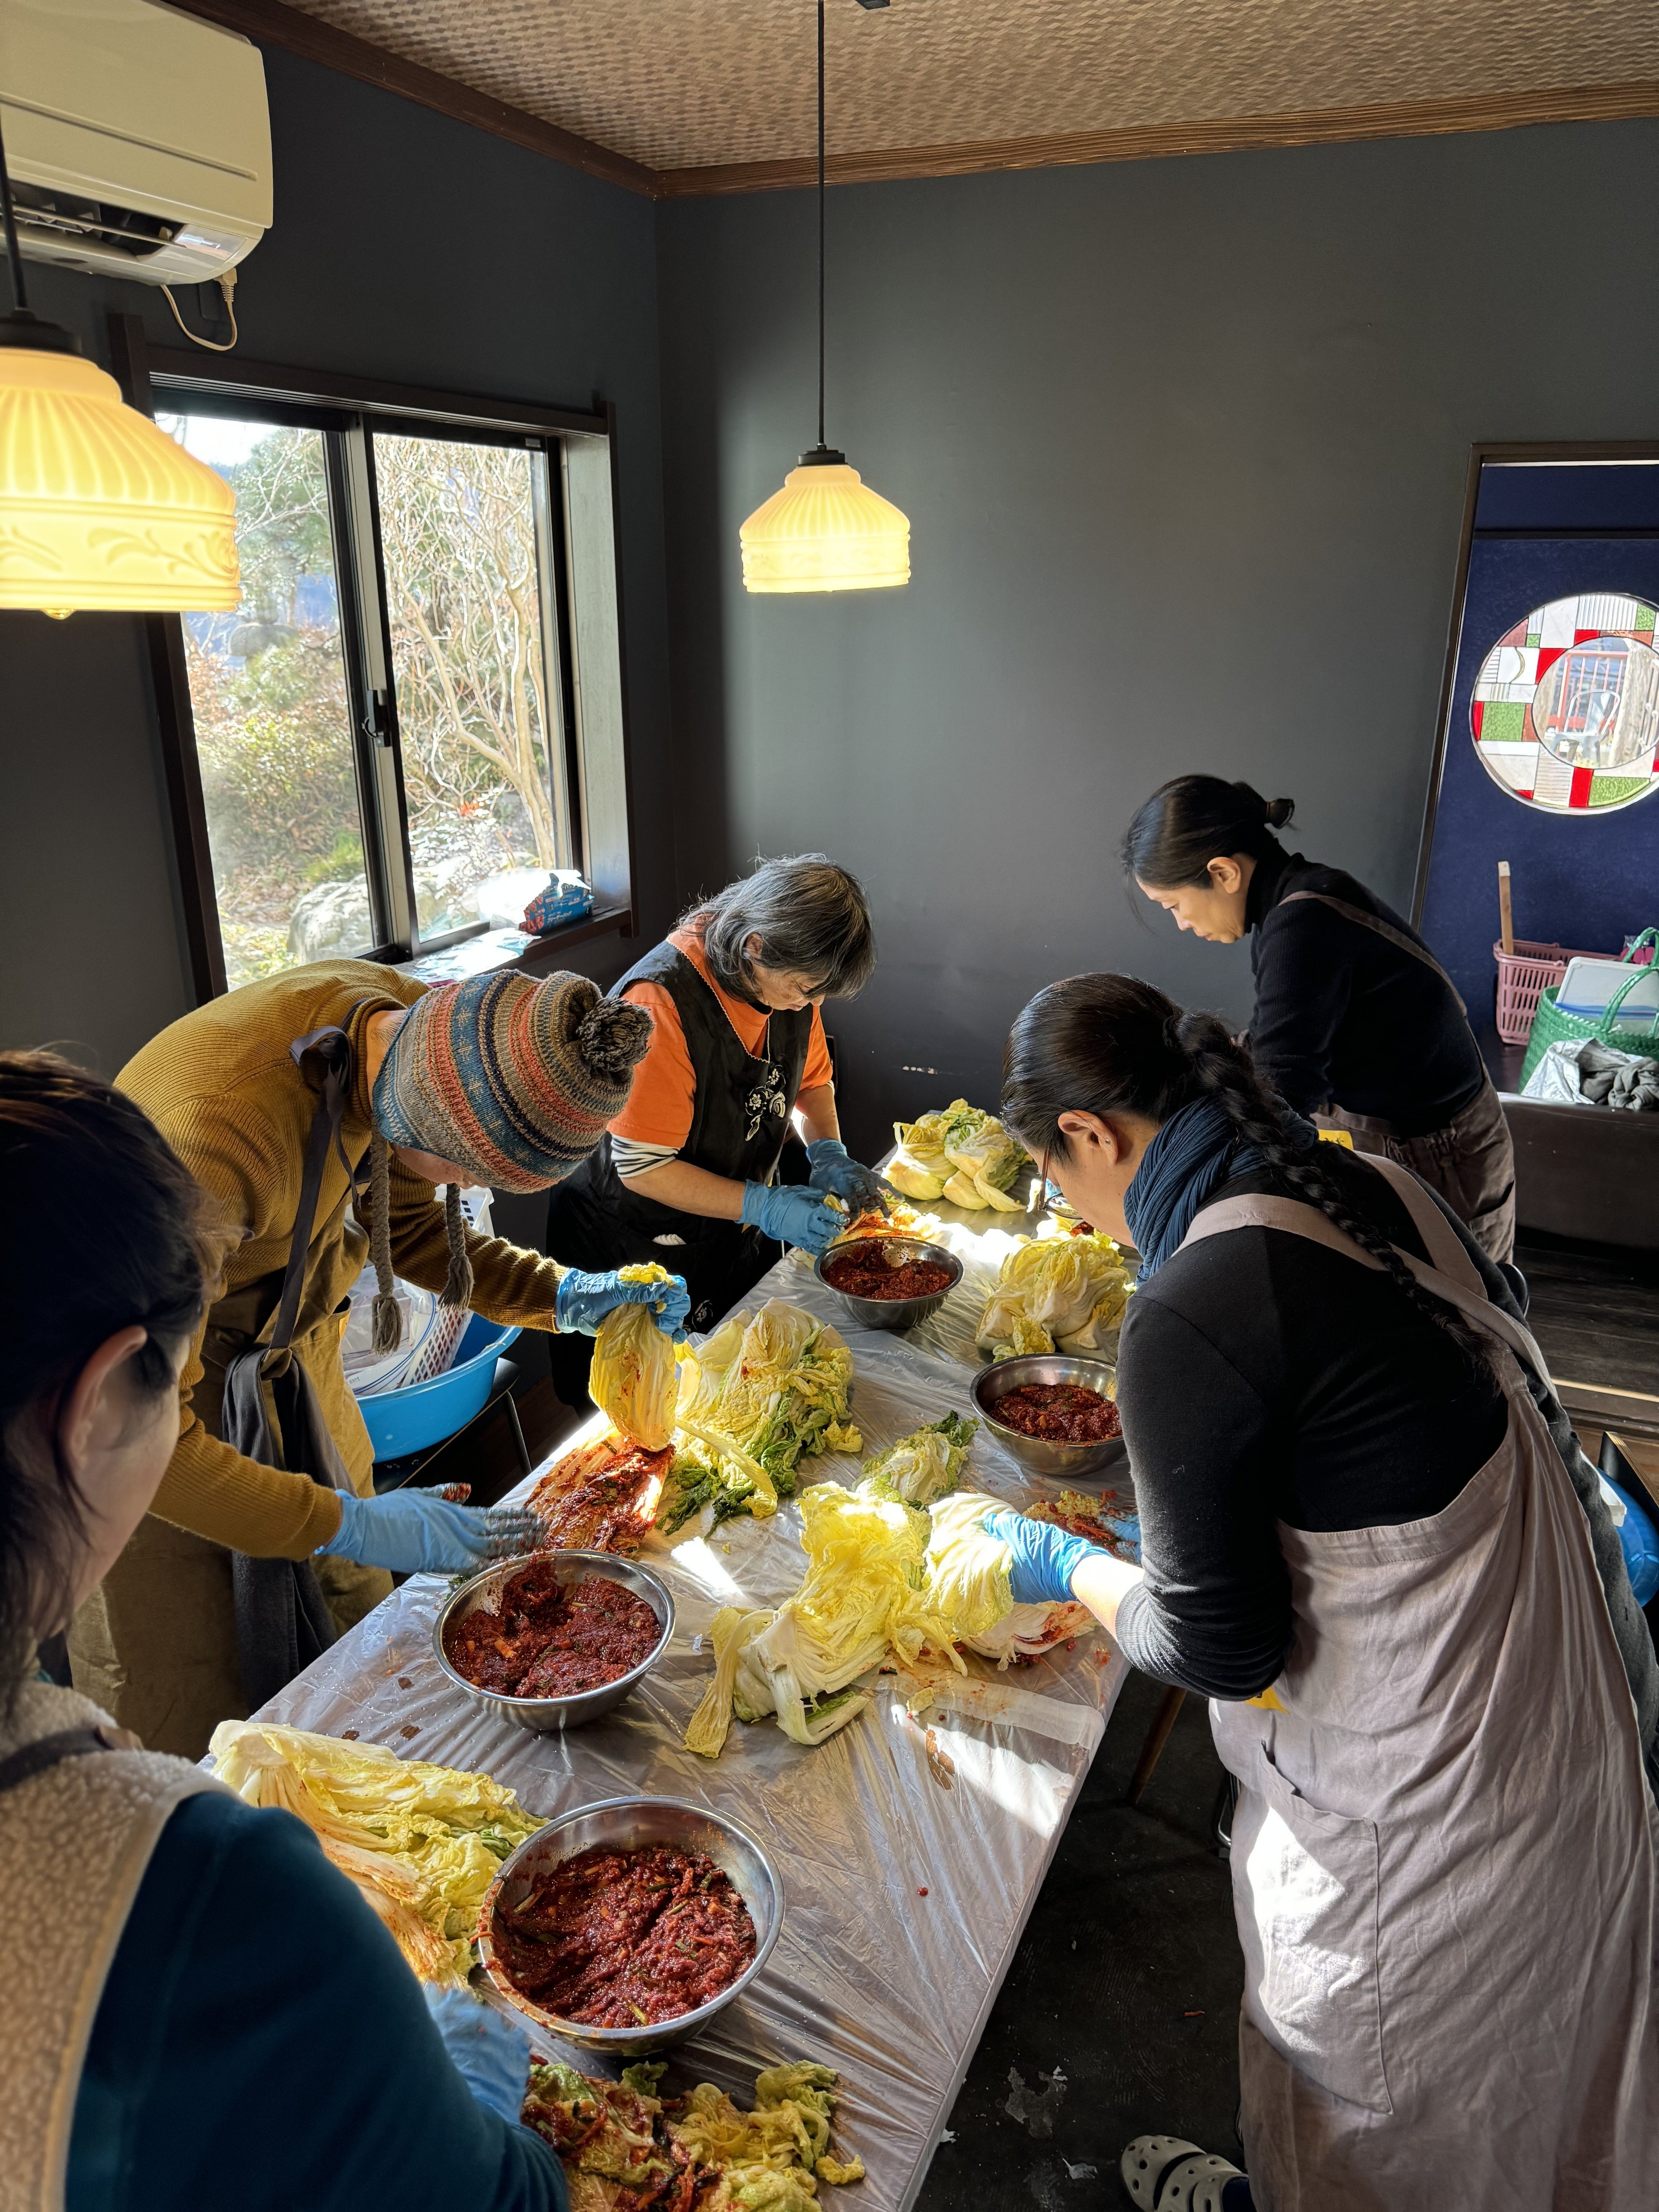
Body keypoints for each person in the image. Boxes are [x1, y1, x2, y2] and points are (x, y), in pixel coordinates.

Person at [988, 974, 1659, 2212]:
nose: (1071, 1213)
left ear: (1089, 1133)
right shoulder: (1374, 1182)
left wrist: (1067, 1562)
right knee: (1508, 2114)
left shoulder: (1191, 1307)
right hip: (1568, 1729)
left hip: (1435, 1814)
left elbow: (1217, 1644)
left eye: (1052, 1177)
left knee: (1378, 2121)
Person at [0, 1051, 564, 2212]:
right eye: (174, 1387)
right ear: (103, 1397)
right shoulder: (203, 1883)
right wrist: (463, 2087)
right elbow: (490, 2199)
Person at [67, 959, 689, 1759]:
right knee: (195, 1683)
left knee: (353, 1619)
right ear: (428, 1112)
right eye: (469, 1173)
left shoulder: (417, 1033)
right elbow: (138, 1450)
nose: (468, 1189)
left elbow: (414, 1228)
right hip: (130, 1401)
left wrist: (566, 1296)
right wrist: (349, 1521)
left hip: (290, 1341)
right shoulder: (213, 1145)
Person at [1124, 775, 1517, 1262]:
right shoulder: (1304, 897)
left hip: (1441, 1152)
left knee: (1464, 1299)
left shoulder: (1303, 924)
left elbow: (1281, 1092)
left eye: (1174, 905)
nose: (1182, 923)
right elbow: (1283, 1041)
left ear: (1223, 873)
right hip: (1435, 1132)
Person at [546, 856, 886, 1408]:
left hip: (724, 1225)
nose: (814, 1002)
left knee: (730, 1383)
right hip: (633, 1229)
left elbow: (811, 1080)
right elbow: (644, 1168)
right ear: (754, 946)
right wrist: (765, 1206)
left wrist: (828, 1151)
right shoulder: (659, 1003)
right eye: (806, 987)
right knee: (644, 1406)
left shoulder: (786, 978)